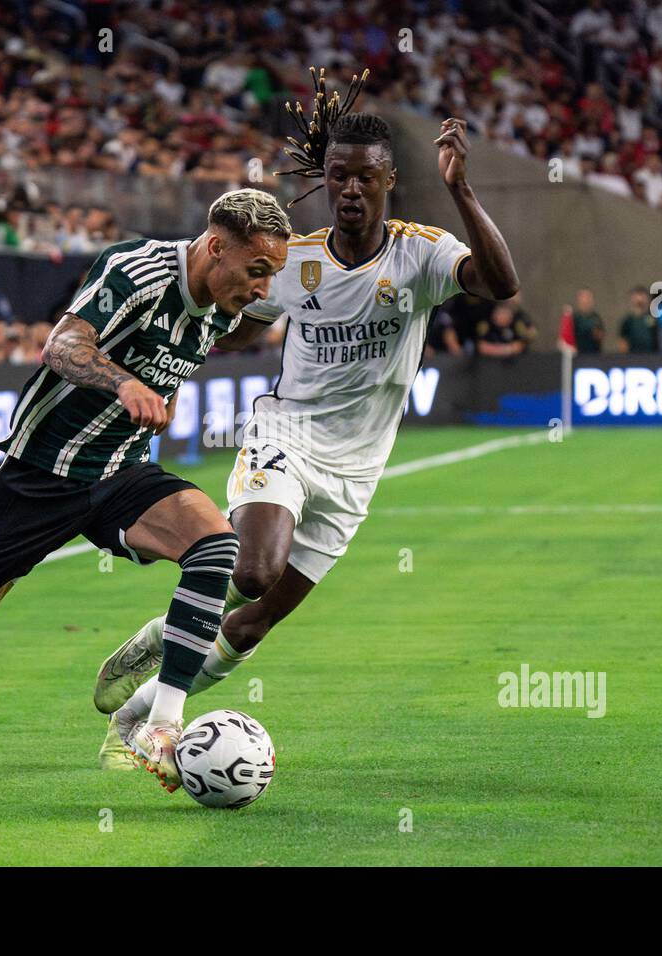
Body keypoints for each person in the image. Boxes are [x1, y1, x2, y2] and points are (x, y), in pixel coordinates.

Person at [91, 106, 518, 771]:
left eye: (365, 178)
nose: (351, 189)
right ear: (324, 180)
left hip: (358, 467)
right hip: (285, 432)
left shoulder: (421, 252)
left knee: (250, 624)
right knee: (252, 572)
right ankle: (166, 715)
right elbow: (238, 325)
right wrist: (173, 364)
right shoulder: (294, 261)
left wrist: (461, 189)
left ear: (390, 181)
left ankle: (136, 705)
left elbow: (501, 284)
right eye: (339, 176)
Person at [0, 188, 291, 793]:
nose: (263, 289)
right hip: (40, 473)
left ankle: (160, 724)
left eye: (273, 276)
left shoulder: (223, 307)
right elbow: (62, 345)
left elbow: (177, 362)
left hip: (120, 471)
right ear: (215, 248)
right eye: (258, 270)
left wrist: (158, 396)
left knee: (216, 549)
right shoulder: (137, 270)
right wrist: (124, 384)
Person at [618, 286, 661, 353]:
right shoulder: (628, 320)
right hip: (633, 357)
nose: (640, 299)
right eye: (637, 296)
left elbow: (657, 339)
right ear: (633, 299)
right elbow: (623, 341)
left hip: (650, 357)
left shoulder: (652, 318)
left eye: (643, 296)